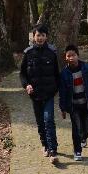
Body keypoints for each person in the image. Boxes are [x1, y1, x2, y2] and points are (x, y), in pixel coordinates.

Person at [20, 23, 60, 164]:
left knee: (49, 120)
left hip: (49, 93)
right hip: (35, 94)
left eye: (43, 35)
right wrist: (27, 85)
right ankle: (45, 144)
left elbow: (57, 73)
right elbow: (22, 74)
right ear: (34, 37)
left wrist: (56, 89)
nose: (40, 38)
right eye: (38, 35)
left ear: (46, 36)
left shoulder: (52, 52)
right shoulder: (28, 53)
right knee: (40, 122)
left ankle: (53, 151)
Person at [59, 44, 88, 161]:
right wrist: (63, 108)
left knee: (87, 125)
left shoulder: (86, 68)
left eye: (73, 55)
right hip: (73, 105)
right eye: (68, 56)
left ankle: (84, 138)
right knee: (76, 127)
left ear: (78, 55)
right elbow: (63, 92)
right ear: (65, 58)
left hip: (85, 103)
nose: (71, 58)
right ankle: (77, 151)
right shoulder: (64, 73)